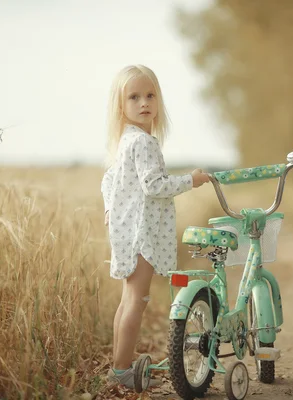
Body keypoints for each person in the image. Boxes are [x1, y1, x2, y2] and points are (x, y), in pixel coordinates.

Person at [100, 65, 210, 388]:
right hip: (141, 233)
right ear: (121, 106)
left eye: (150, 95)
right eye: (134, 97)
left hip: (126, 230)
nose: (144, 103)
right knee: (137, 300)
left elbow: (108, 180)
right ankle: (121, 369)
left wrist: (110, 207)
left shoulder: (127, 140)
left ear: (158, 102)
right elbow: (154, 185)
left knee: (128, 298)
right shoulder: (143, 144)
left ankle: (118, 365)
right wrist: (192, 180)